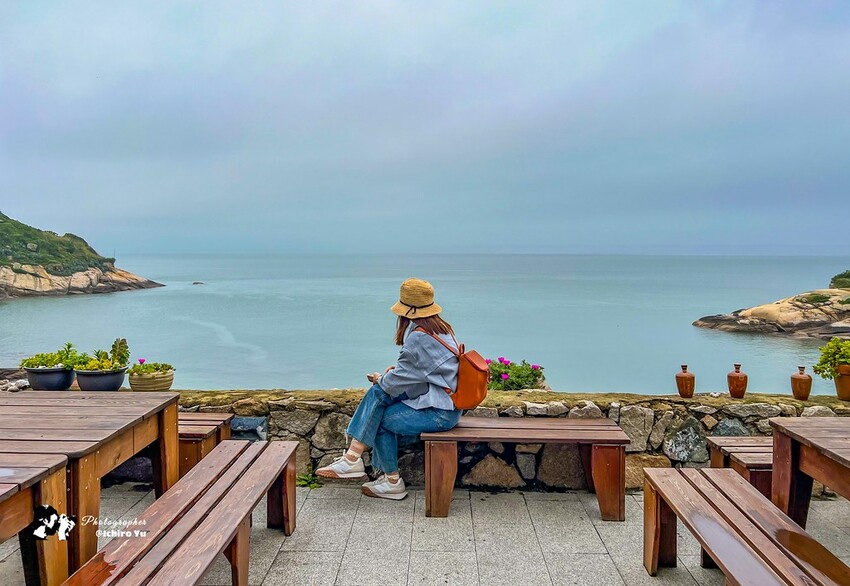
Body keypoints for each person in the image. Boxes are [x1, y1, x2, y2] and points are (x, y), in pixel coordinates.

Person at [316, 278, 462, 500]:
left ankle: (381, 474)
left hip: (440, 414)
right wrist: (389, 377)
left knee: (379, 418)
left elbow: (394, 383)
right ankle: (359, 462)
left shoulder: (419, 338)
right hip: (447, 406)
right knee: (379, 396)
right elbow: (420, 373)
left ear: (407, 311)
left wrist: (380, 378)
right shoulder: (443, 330)